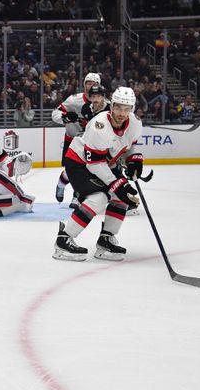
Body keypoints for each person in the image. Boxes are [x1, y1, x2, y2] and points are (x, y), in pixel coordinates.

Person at [53, 86, 143, 262]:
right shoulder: (99, 125)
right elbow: (94, 164)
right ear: (112, 106)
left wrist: (134, 159)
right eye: (118, 107)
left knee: (122, 197)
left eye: (126, 109)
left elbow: (129, 144)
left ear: (131, 109)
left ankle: (106, 239)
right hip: (79, 163)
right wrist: (117, 183)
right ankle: (63, 240)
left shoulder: (135, 123)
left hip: (103, 164)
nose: (122, 113)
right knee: (99, 197)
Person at [51, 72, 101, 207]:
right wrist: (65, 117)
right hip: (73, 139)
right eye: (89, 83)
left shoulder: (103, 103)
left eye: (95, 84)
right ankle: (61, 184)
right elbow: (55, 113)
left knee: (87, 170)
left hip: (91, 142)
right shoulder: (74, 100)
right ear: (84, 85)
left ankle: (77, 196)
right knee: (70, 171)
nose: (91, 87)